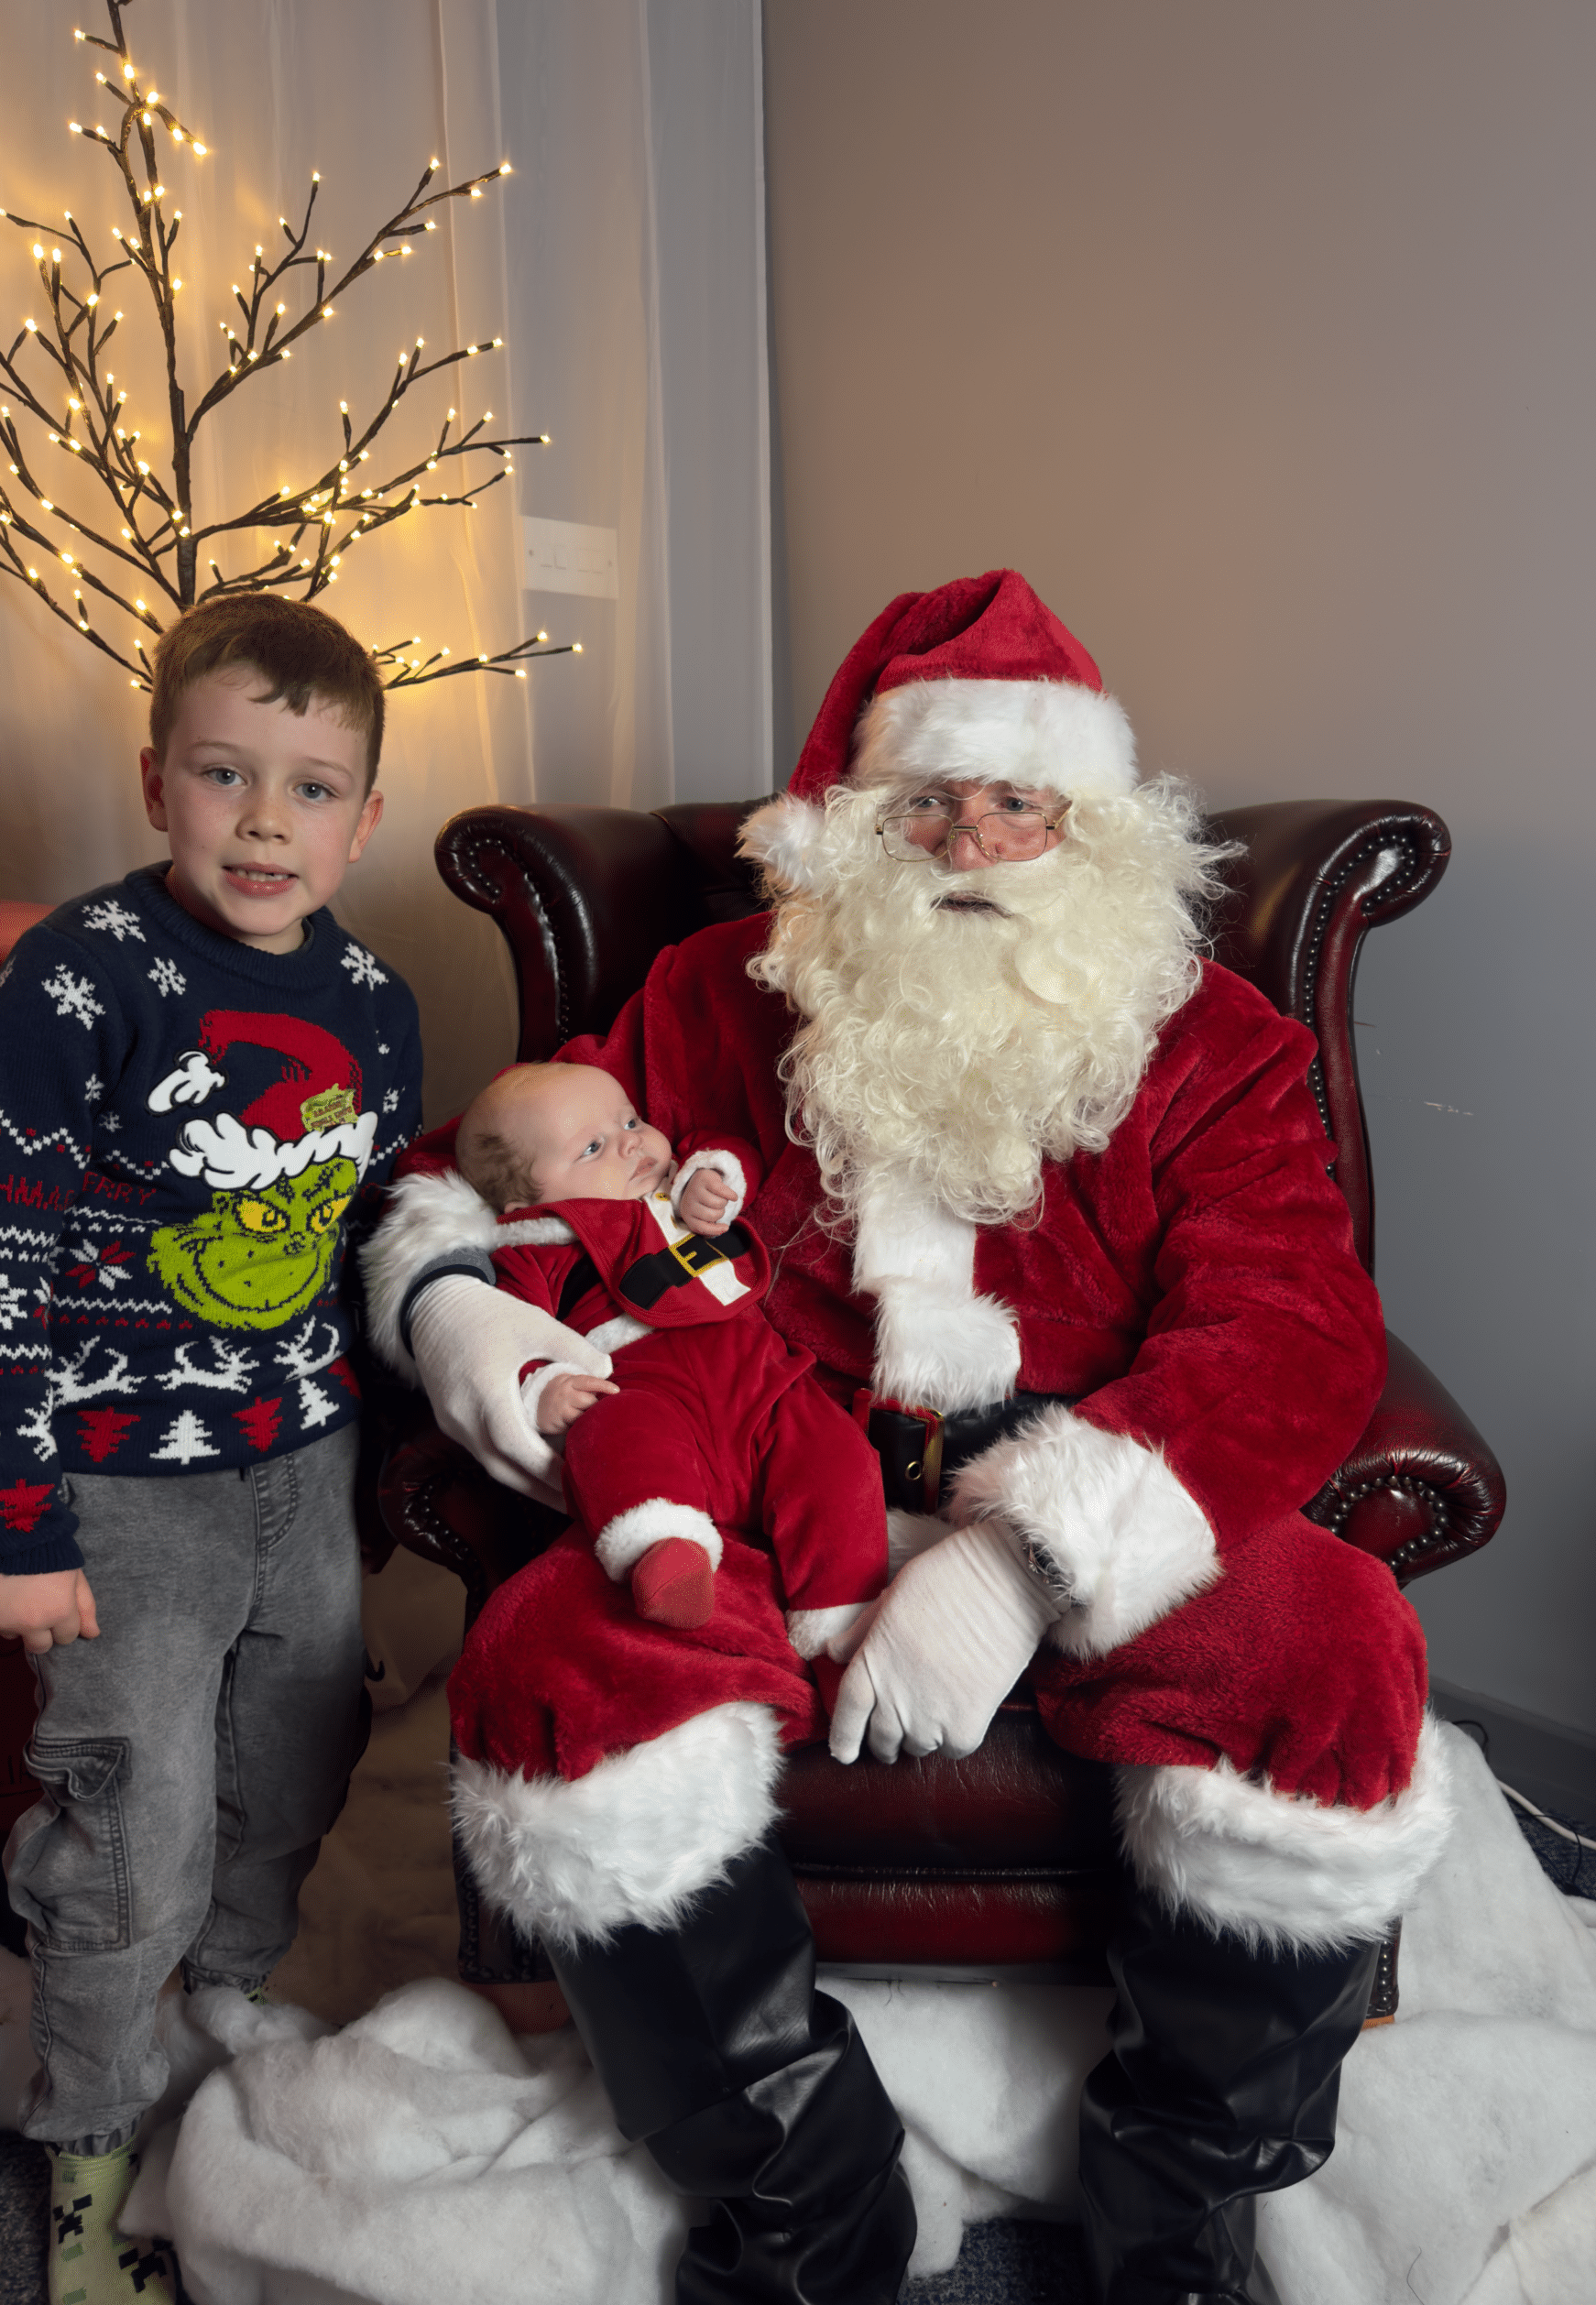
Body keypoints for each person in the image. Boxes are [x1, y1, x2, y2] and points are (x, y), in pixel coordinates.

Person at [379, 571, 1452, 2305]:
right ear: (853, 821)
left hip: (1086, 1460)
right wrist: (486, 1331)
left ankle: (1173, 2223)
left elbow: (1294, 1328)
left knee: (1330, 1649)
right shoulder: (720, 992)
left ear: (1087, 827)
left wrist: (1033, 1558)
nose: (970, 840)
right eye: (926, 799)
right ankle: (810, 2201)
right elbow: (467, 1172)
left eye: (1019, 800)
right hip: (748, 1462)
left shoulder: (1212, 1040)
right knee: (559, 1670)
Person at [0, 595, 426, 2305]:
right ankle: (89, 2151)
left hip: (299, 1468)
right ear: (157, 778)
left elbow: (372, 1231)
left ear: (364, 817)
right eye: (227, 774)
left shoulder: (377, 1002)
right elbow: (11, 1251)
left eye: (313, 788)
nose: (267, 820)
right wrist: (24, 1520)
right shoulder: (80, 974)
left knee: (293, 1767)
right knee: (139, 1817)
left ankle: (212, 2038)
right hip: (117, 1487)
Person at [364, 1058, 889, 1667]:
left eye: (632, 1119)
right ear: (520, 1198)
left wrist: (709, 1179)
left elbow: (725, 1149)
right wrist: (544, 1387)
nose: (631, 1141)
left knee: (838, 1456)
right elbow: (511, 1334)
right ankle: (665, 1548)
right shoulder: (536, 1242)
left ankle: (840, 1622)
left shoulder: (676, 1191)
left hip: (765, 1379)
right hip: (642, 1387)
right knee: (612, 1435)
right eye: (592, 1147)